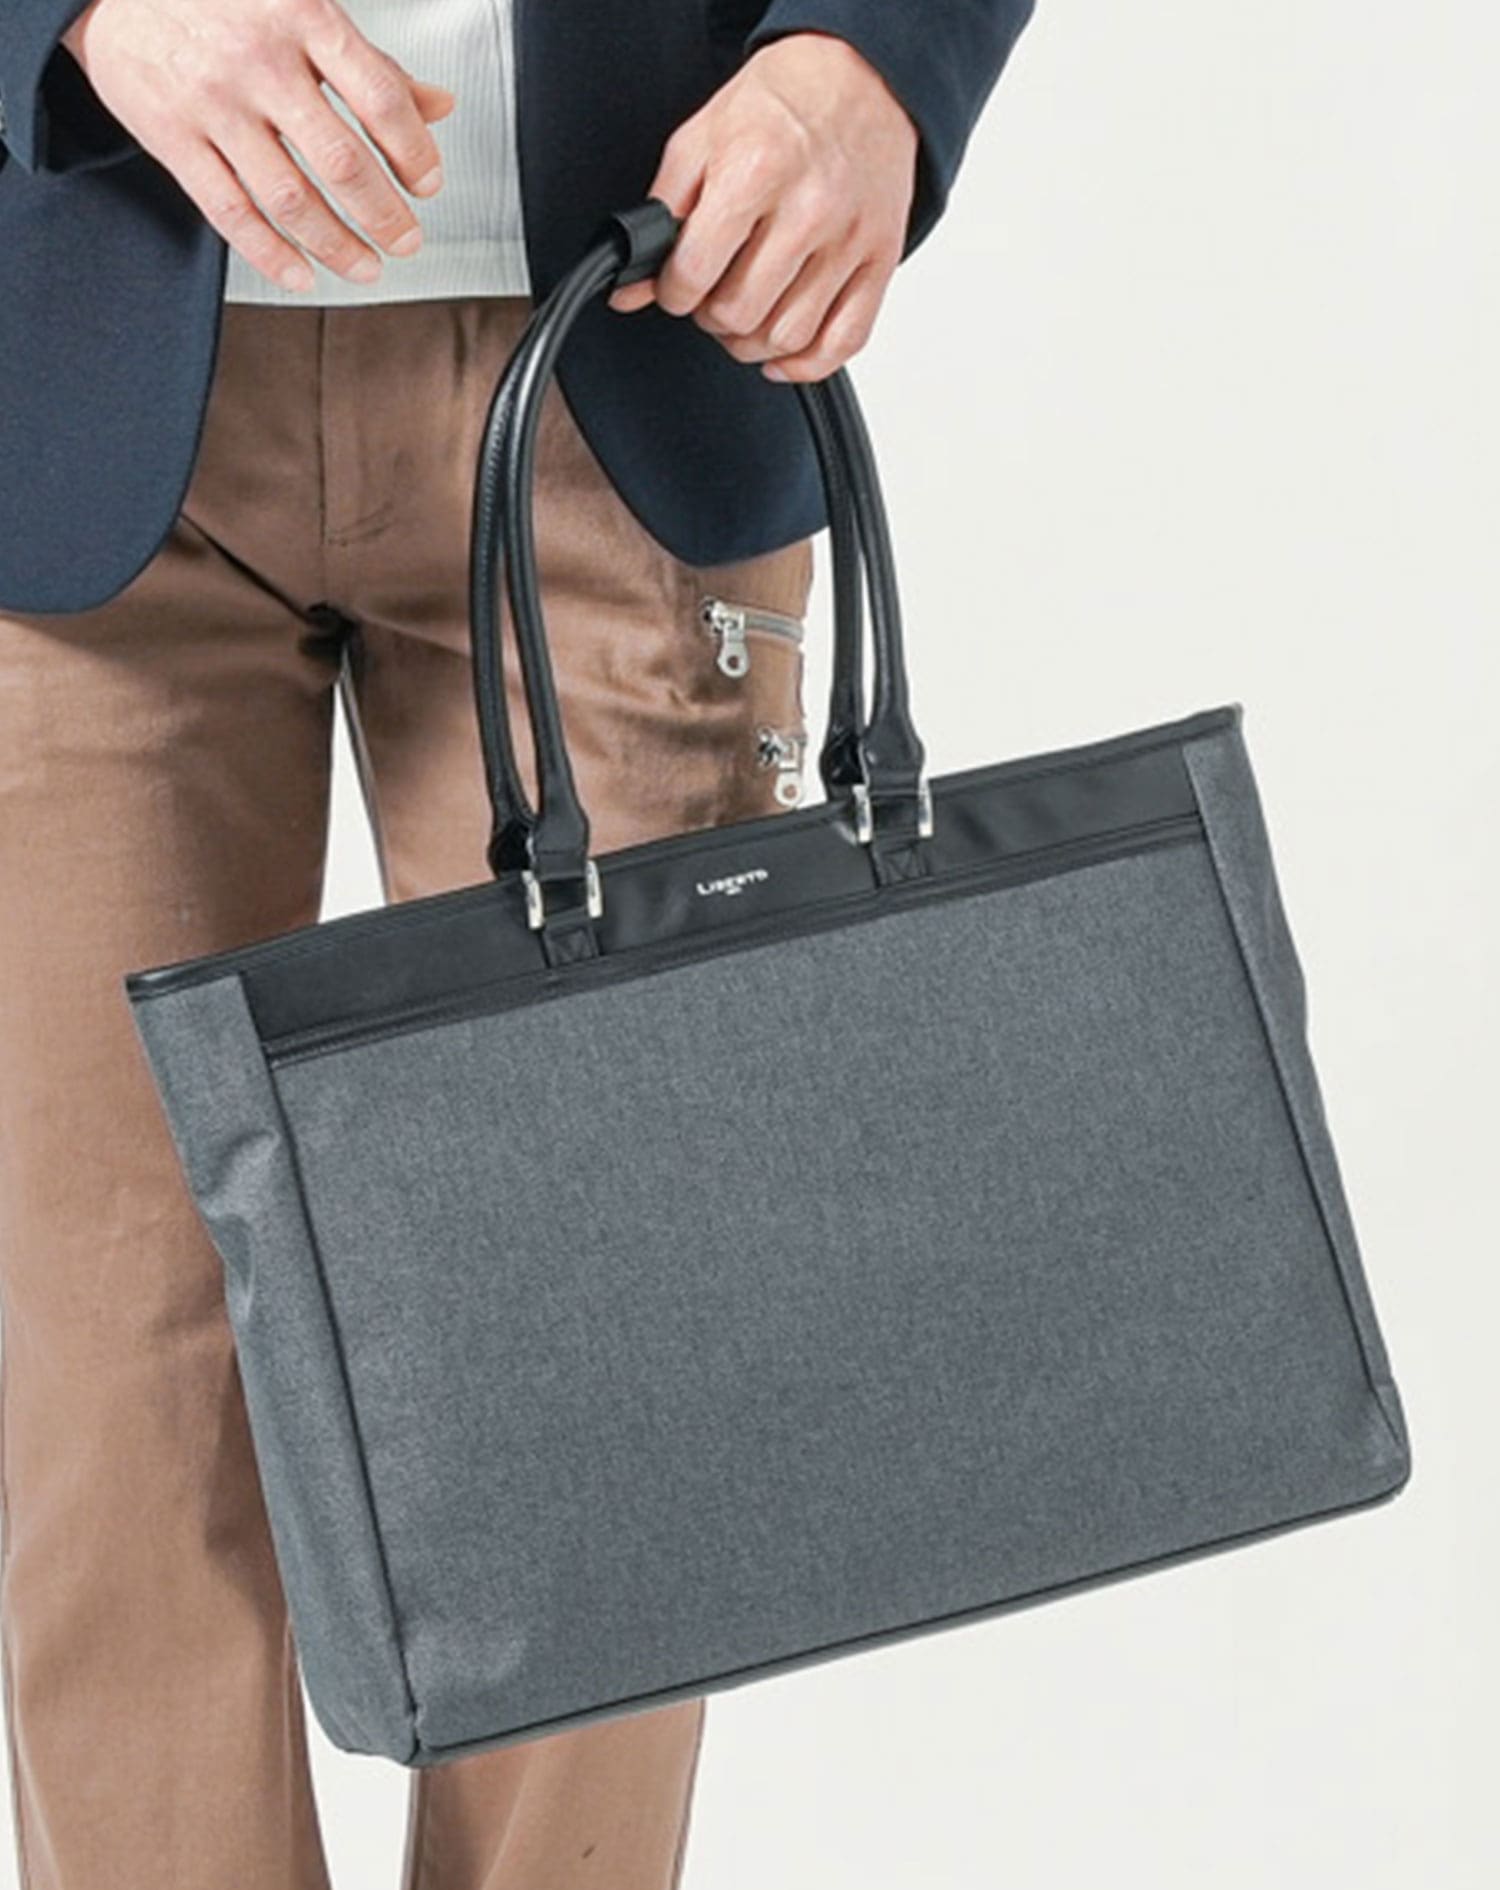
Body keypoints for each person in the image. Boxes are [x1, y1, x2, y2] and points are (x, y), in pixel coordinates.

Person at [0, 1, 1036, 1884]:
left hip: (641, 338)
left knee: (615, 1369)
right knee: (111, 1394)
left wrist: (880, 55)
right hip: (80, 344)